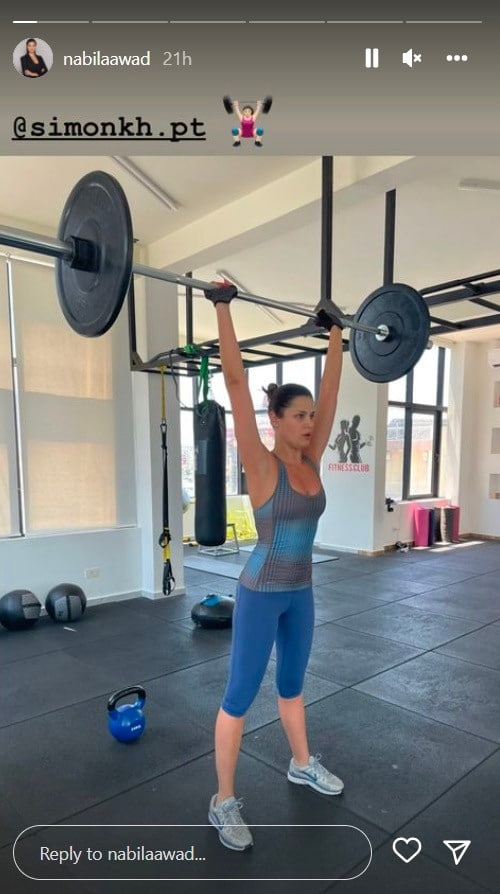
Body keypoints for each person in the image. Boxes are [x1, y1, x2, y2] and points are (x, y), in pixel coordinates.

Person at [203, 281, 344, 852]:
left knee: (291, 685)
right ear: (277, 420)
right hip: (261, 592)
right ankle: (223, 799)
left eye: (312, 416)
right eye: (300, 416)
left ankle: (301, 763)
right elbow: (236, 384)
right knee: (240, 695)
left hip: (301, 592)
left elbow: (331, 393)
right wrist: (222, 307)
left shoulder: (313, 460)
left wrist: (336, 335)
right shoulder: (262, 466)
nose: (311, 422)